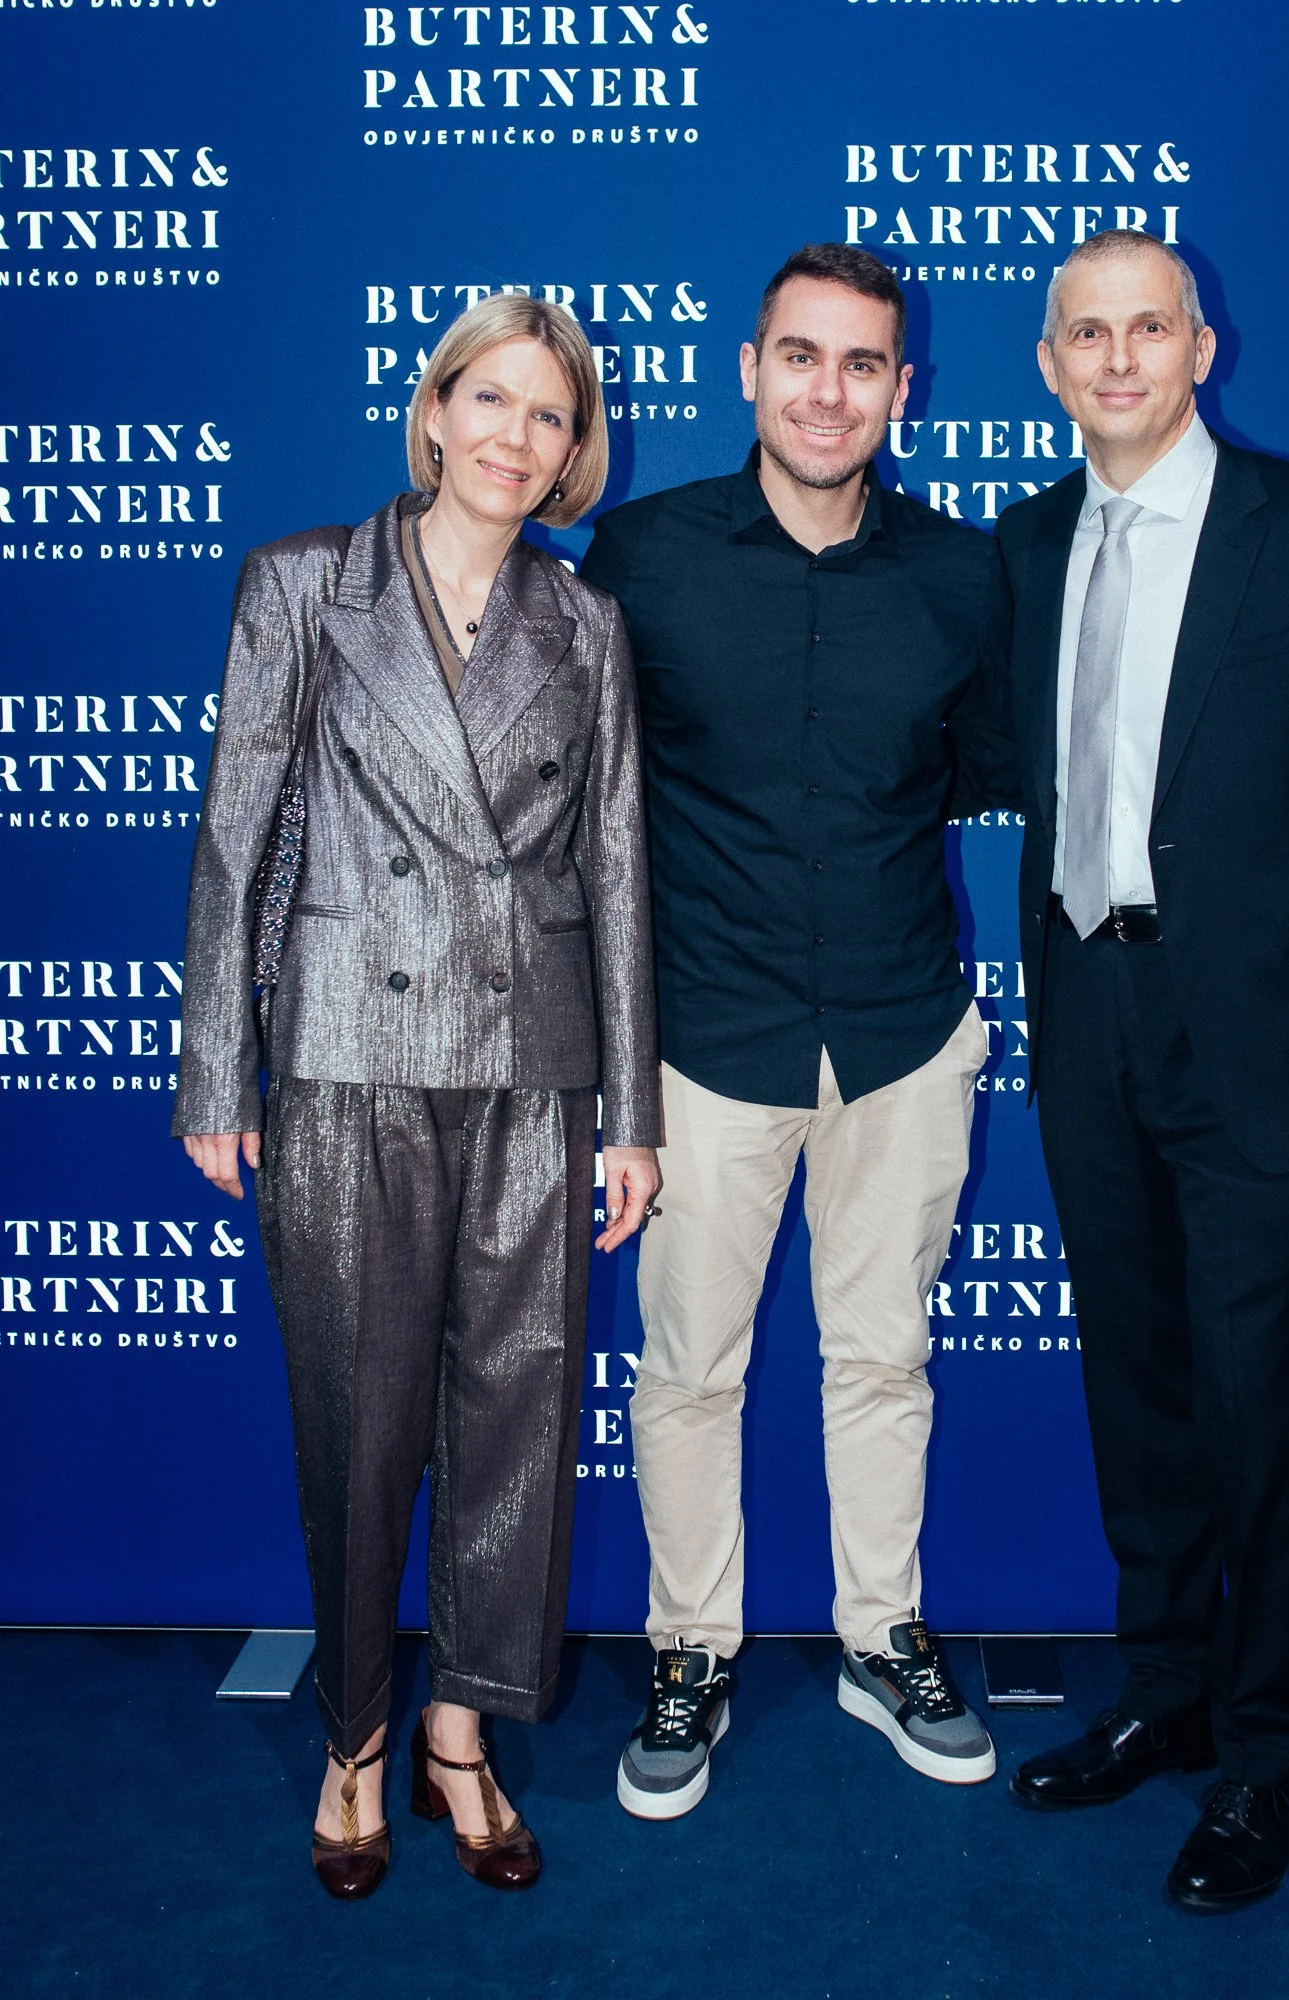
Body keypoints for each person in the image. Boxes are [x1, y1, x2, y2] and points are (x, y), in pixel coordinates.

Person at [174, 293, 662, 1899]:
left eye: (553, 417)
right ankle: (356, 1739)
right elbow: (238, 841)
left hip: (534, 1065)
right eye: (495, 403)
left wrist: (633, 1114)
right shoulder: (304, 587)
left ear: (573, 447)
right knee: (358, 1420)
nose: (520, 440)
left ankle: (465, 1728)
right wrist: (210, 1069)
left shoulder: (583, 624)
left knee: (515, 1419)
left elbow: (616, 868)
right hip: (343, 1057)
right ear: (436, 409)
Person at [994, 232, 1289, 1909]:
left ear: (1205, 348)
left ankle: (1262, 1759)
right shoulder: (1030, 543)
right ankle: (1167, 1696)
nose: (1118, 359)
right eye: (1085, 333)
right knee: (1142, 1389)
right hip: (1090, 1022)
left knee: (1263, 1408)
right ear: (1049, 364)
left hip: (1272, 1054)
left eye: (1149, 329)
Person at [581, 244, 1014, 1820]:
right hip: (704, 1040)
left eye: (862, 366)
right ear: (749, 370)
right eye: (802, 358)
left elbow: (979, 771)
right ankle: (689, 1648)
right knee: (691, 1367)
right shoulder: (635, 556)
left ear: (902, 391)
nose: (829, 392)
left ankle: (878, 1630)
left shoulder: (966, 576)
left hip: (903, 1030)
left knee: (883, 1354)